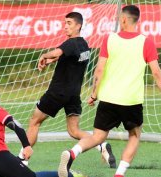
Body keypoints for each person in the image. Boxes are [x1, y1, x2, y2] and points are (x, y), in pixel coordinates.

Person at [58, 5, 161, 177]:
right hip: (131, 101)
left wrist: (94, 93)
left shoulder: (109, 39)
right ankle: (119, 176)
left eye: (120, 17)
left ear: (124, 19)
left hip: (108, 99)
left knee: (97, 137)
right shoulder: (146, 42)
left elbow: (99, 69)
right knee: (134, 137)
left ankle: (72, 153)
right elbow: (156, 73)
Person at [23, 12, 115, 168]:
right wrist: (50, 61)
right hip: (74, 94)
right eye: (65, 23)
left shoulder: (70, 43)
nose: (65, 26)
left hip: (57, 92)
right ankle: (101, 145)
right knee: (74, 131)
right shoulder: (84, 45)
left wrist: (44, 55)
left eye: (69, 23)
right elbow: (65, 57)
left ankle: (22, 159)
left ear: (78, 25)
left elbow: (58, 52)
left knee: (34, 122)